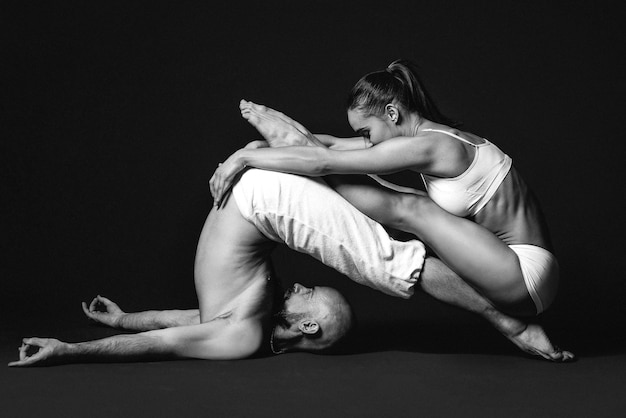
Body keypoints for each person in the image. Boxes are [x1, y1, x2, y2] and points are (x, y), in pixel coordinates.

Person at [10, 169, 572, 366]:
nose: (298, 282)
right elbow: (182, 331)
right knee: (389, 257)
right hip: (263, 201)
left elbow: (172, 333)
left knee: (389, 252)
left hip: (263, 200)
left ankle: (510, 320)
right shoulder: (248, 325)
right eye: (307, 288)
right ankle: (509, 320)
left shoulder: (239, 333)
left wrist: (92, 338)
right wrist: (109, 332)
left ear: (307, 327)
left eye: (308, 294)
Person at [209, 59, 562, 320]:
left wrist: (243, 159)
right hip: (520, 268)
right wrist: (277, 142)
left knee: (411, 209)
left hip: (522, 275)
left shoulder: (430, 146)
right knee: (409, 204)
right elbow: (330, 146)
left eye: (367, 131)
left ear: (392, 113)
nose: (366, 140)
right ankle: (287, 144)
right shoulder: (433, 137)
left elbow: (323, 162)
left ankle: (286, 146)